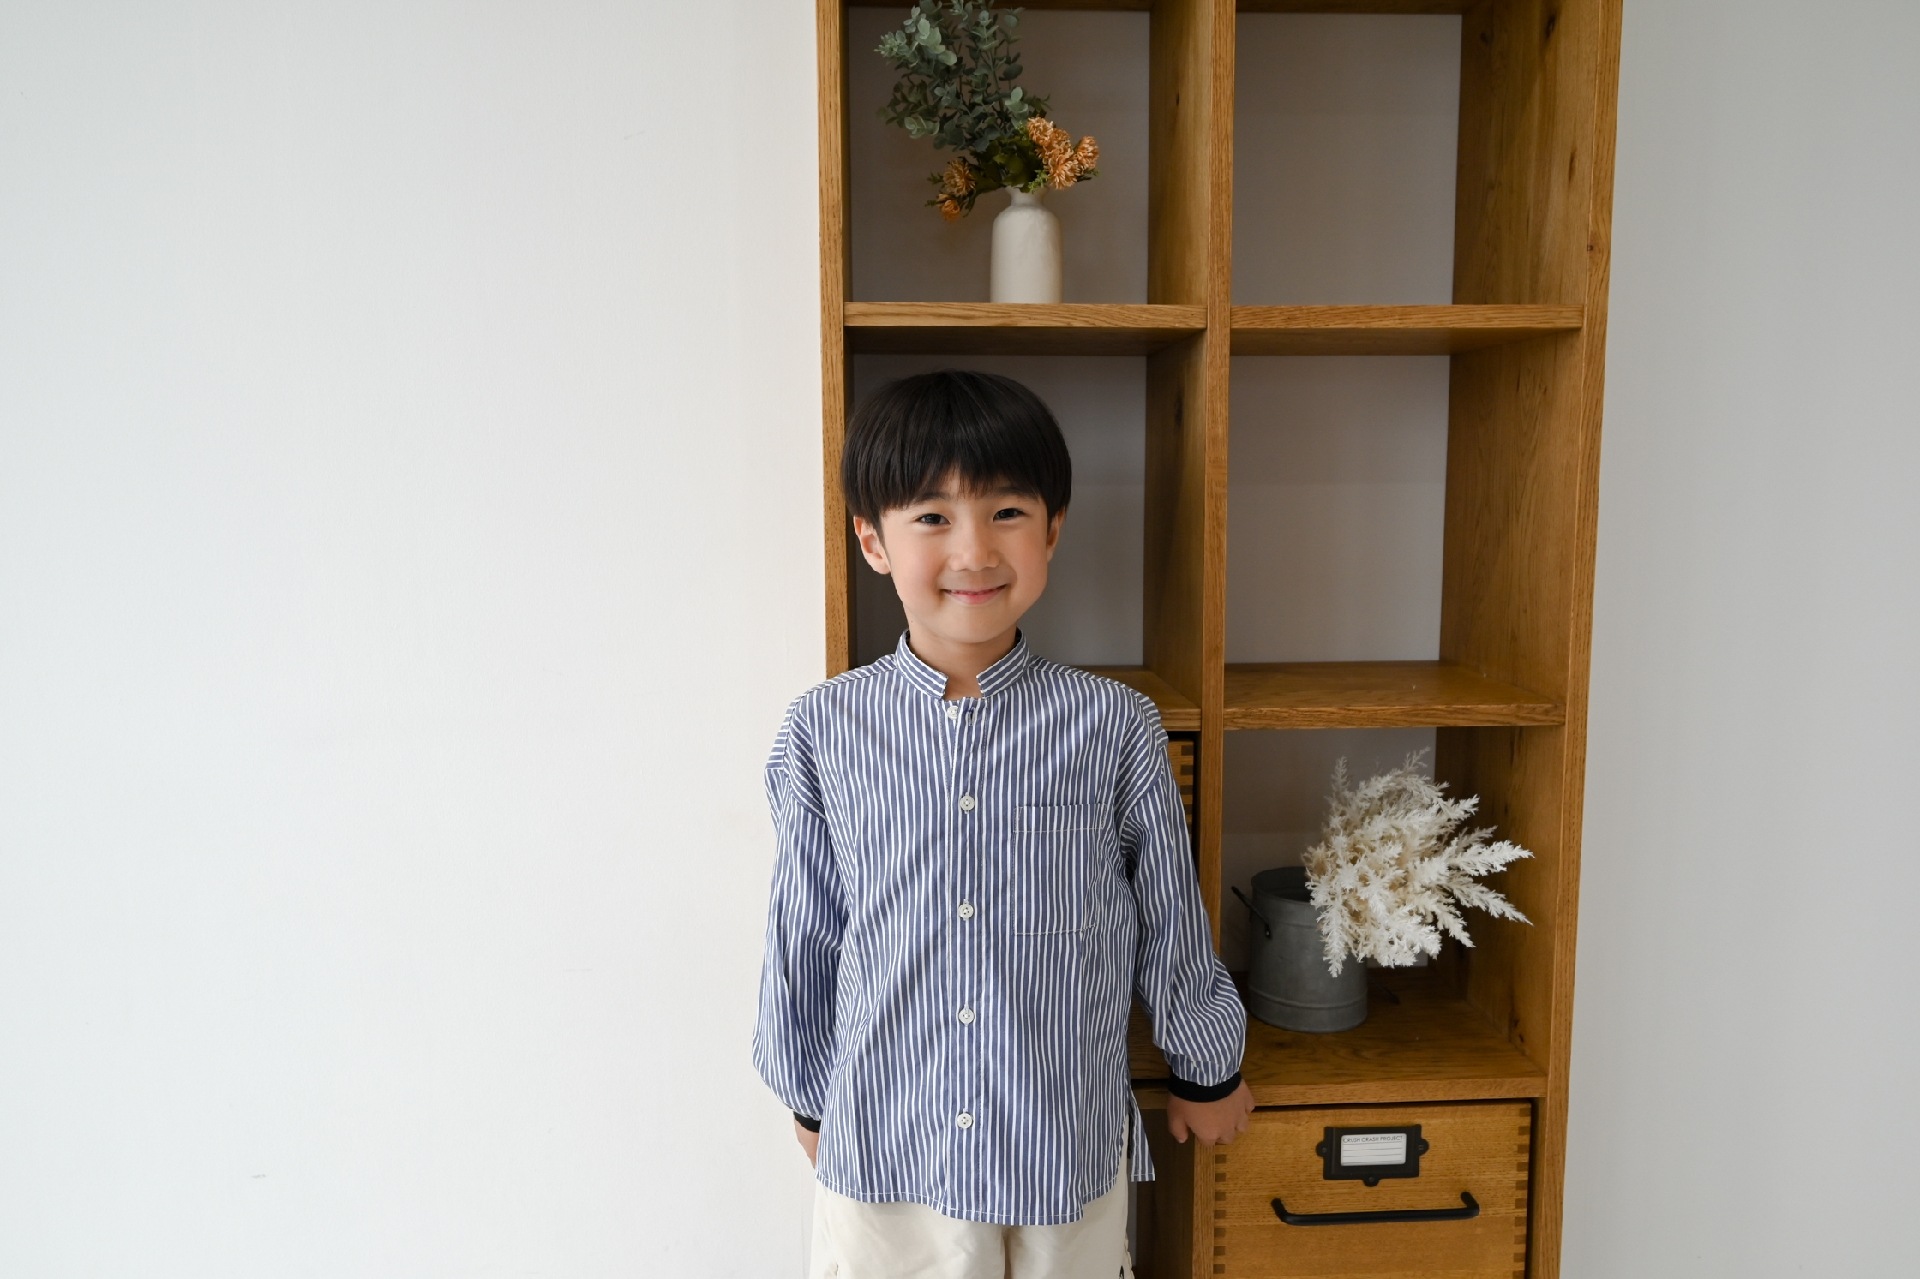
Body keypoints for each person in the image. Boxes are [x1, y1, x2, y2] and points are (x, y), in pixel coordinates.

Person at [753, 369, 1252, 1279]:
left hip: (1059, 1140)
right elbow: (807, 930)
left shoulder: (1114, 726)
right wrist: (810, 1094)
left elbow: (1169, 917)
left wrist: (1206, 1065)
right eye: (932, 516)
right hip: (889, 1146)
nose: (974, 549)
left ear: (1052, 529)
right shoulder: (823, 730)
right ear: (873, 540)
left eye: (1007, 512)